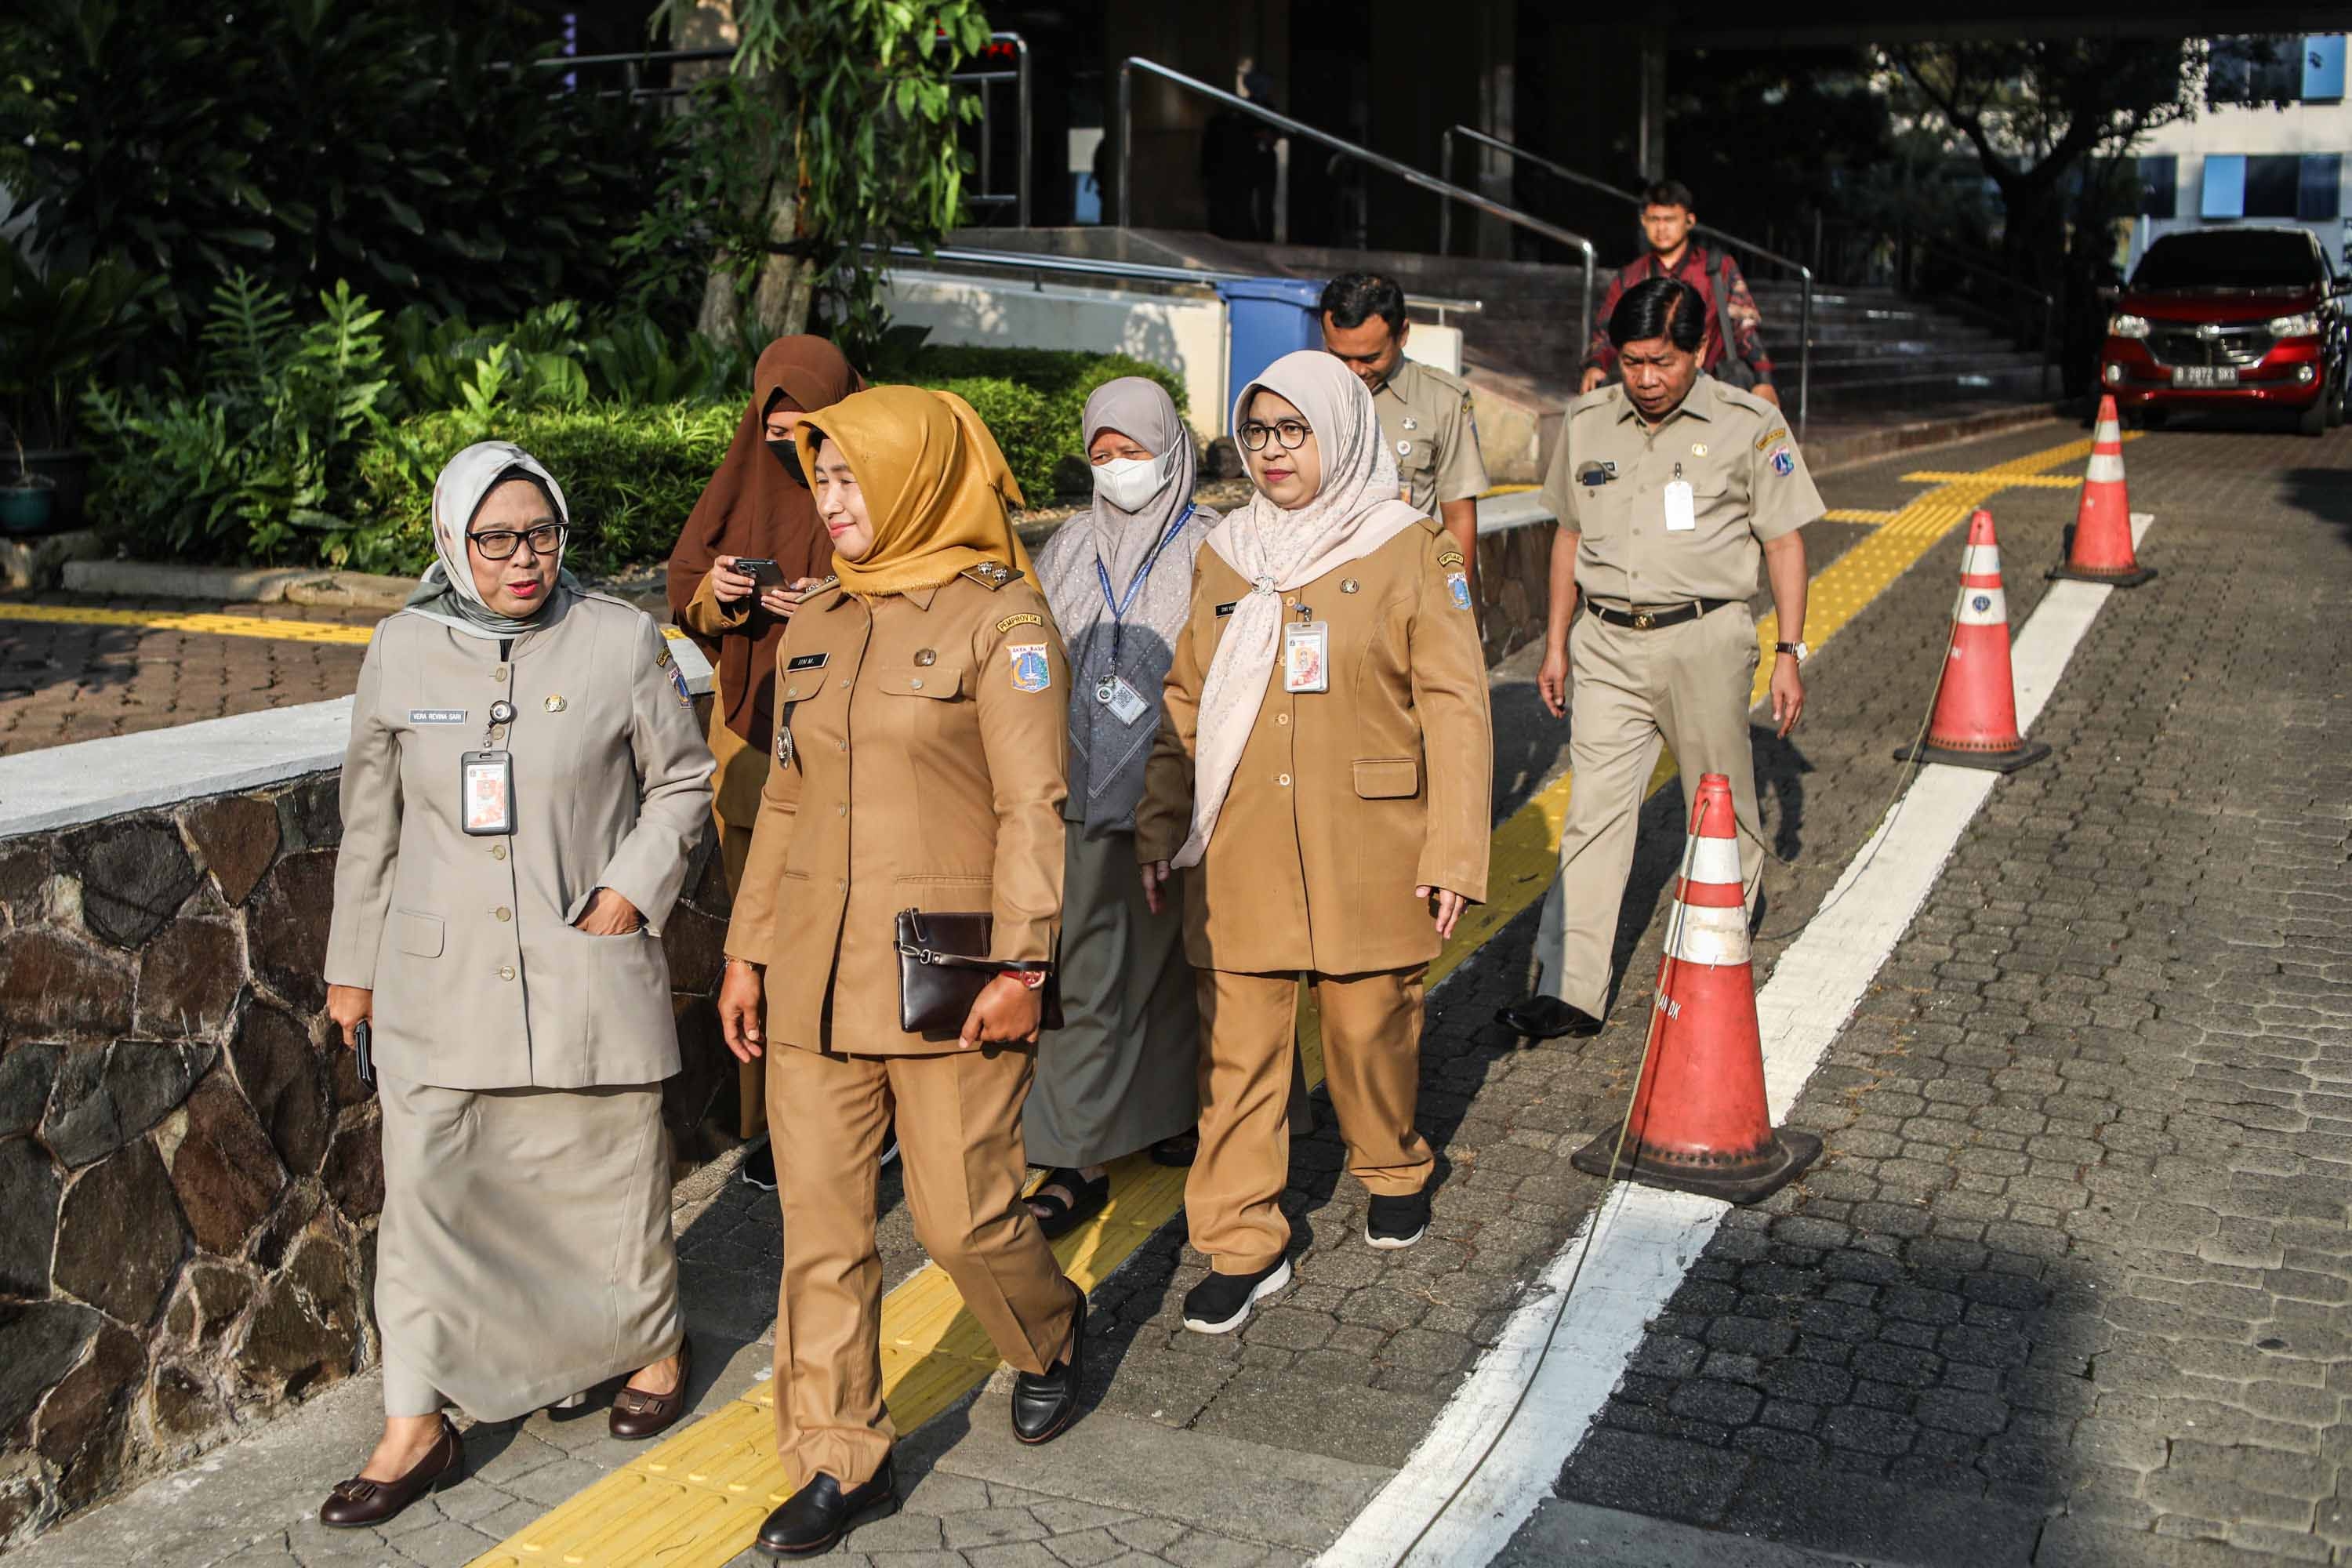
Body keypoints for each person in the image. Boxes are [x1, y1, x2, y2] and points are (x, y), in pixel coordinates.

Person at [715, 387, 1088, 1557]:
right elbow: (784, 796)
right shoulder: (819, 619)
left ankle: (1048, 1333)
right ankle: (841, 1459)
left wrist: (1026, 959)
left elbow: (1037, 805)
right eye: (821, 482)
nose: (832, 504)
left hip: (951, 973)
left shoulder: (1005, 621)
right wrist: (746, 950)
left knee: (964, 1218)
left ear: (918, 477)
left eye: (852, 479)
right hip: (816, 975)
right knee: (823, 1234)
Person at [319, 441, 715, 1527]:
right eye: (494, 540)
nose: (522, 560)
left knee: (610, 1180)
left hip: (584, 964)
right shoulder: (402, 651)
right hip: (437, 991)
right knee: (429, 1201)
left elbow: (683, 780)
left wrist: (633, 889)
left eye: (540, 534)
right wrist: (350, 972)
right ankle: (416, 1420)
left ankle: (650, 1346)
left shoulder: (620, 639)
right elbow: (372, 827)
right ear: (453, 543)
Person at [1134, 351, 1491, 1335]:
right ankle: (1243, 1238)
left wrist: (1455, 850)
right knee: (1239, 1055)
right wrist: (1164, 821)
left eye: (1294, 430)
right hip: (1240, 841)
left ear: (1338, 428)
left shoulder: (1408, 544)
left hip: (1368, 837)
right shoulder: (1231, 549)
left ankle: (1392, 1160)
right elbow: (1188, 696)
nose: (1273, 452)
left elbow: (1456, 706)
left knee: (1367, 1030)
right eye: (1257, 433)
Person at [1499, 278, 1817, 1043]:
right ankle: (1572, 989)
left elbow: (1785, 540)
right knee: (1593, 813)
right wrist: (1554, 641)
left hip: (1703, 640)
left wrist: (1788, 652)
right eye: (1632, 361)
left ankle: (1718, 948)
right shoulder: (1588, 423)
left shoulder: (1750, 424)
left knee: (1720, 799)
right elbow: (1567, 537)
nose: (1645, 379)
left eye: (1662, 362)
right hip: (1605, 641)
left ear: (1701, 350)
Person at [663, 336, 879, 1193]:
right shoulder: (744, 474)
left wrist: (833, 601)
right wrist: (728, 594)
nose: (792, 452)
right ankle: (776, 1129)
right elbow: (687, 586)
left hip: (858, 755)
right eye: (775, 430)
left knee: (854, 939)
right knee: (766, 945)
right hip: (756, 748)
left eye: (810, 433)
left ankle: (870, 1120)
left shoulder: (876, 481)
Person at [1022, 378, 1215, 1236]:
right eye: (1101, 453)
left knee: (1177, 963)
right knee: (1087, 971)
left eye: (1132, 450)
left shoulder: (1218, 546)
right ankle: (1075, 1152)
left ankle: (1175, 1111)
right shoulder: (1067, 546)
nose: (1116, 468)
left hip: (1187, 785)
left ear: (1169, 448)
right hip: (1081, 788)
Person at [1319, 271, 1489, 593]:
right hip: (1319, 592)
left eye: (1370, 357)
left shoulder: (1442, 400)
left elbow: (1459, 519)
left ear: (1403, 334)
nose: (1355, 370)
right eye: (1341, 356)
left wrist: (1455, 606)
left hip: (1401, 593)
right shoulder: (1303, 392)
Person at [1580, 180, 1780, 408]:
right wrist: (1595, 365)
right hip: (1652, 392)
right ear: (1643, 221)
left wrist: (1763, 380)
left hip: (1711, 391)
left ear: (1689, 221)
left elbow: (1745, 326)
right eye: (1655, 219)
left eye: (1670, 219)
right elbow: (1607, 331)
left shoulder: (1717, 268)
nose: (1662, 228)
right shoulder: (1631, 276)